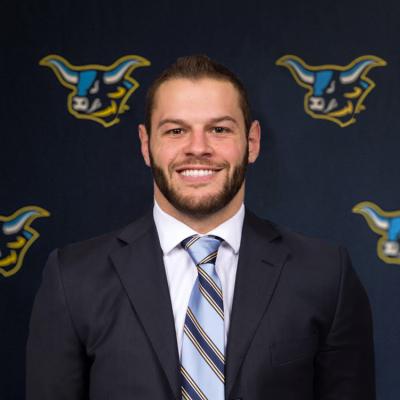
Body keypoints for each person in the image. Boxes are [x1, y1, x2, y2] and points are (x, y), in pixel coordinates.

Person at [26, 55, 375, 400]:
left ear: (252, 142)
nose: (198, 148)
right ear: (146, 145)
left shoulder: (325, 275)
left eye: (219, 129)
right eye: (176, 131)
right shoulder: (73, 278)